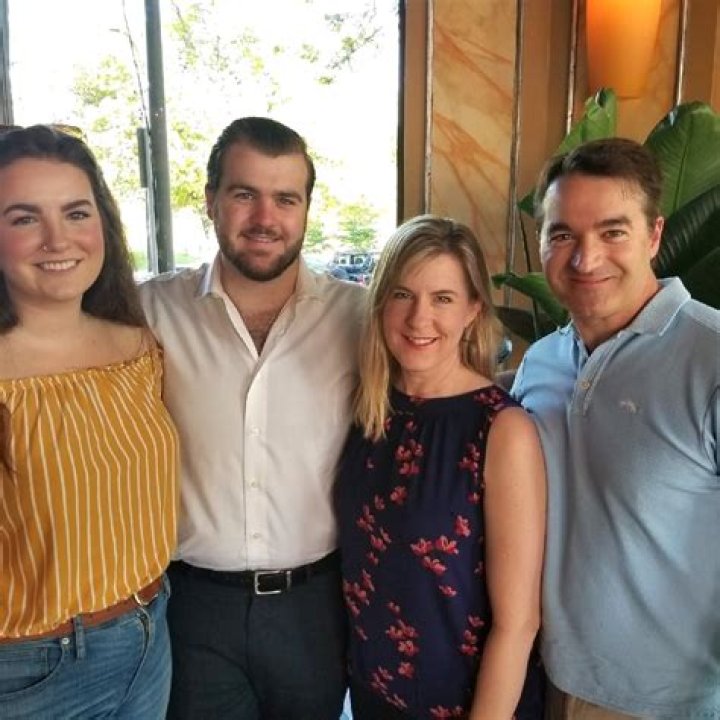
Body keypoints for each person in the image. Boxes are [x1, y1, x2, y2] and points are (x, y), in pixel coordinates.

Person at [139, 116, 365, 719]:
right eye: (245, 194)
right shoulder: (150, 312)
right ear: (210, 200)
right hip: (193, 607)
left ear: (307, 209)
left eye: (286, 198)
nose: (266, 217)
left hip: (316, 607)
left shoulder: (359, 318)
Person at [512, 137, 720, 719]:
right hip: (548, 679)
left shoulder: (711, 358)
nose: (586, 259)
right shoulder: (541, 363)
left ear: (654, 235)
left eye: (612, 232)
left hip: (670, 703)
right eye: (562, 235)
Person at [335, 214, 546, 719]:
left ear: (473, 309)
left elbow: (518, 623)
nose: (419, 318)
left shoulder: (502, 430)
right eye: (403, 295)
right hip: (372, 696)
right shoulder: (367, 410)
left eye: (443, 298)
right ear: (381, 301)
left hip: (468, 705)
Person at [0, 125, 178, 718]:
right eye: (24, 218)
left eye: (76, 213)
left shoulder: (138, 347)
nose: (58, 239)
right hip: (30, 667)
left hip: (150, 633)